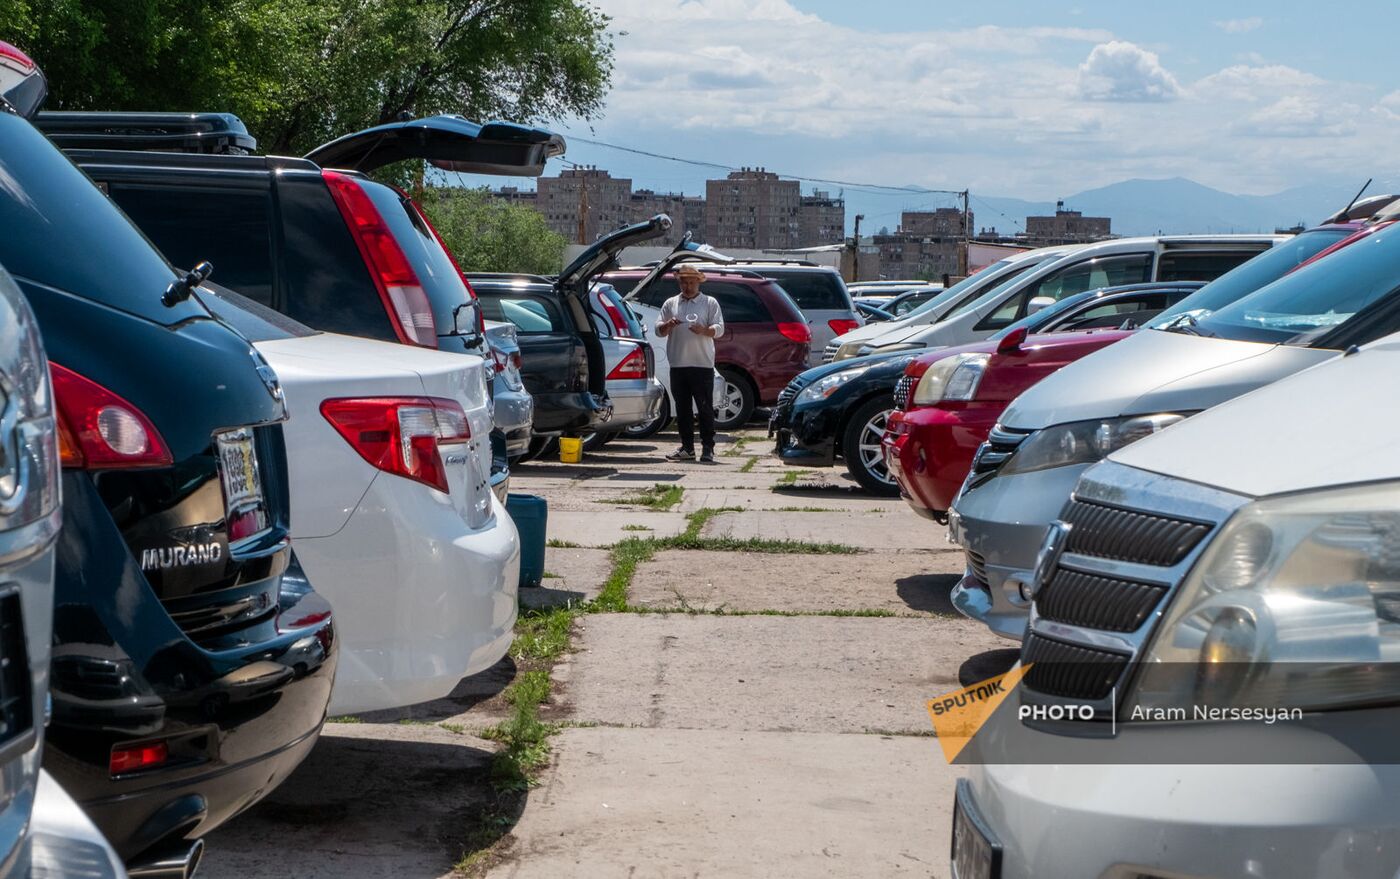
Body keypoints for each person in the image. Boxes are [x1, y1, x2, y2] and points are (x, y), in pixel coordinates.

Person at [655, 263, 725, 463]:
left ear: (698, 282)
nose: (687, 286)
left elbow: (719, 329)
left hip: (702, 363)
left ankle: (708, 448)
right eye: (684, 282)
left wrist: (704, 330)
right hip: (678, 363)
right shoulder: (671, 303)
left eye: (691, 282)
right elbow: (658, 330)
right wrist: (668, 325)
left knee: (704, 407)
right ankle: (687, 447)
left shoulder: (709, 302)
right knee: (682, 408)